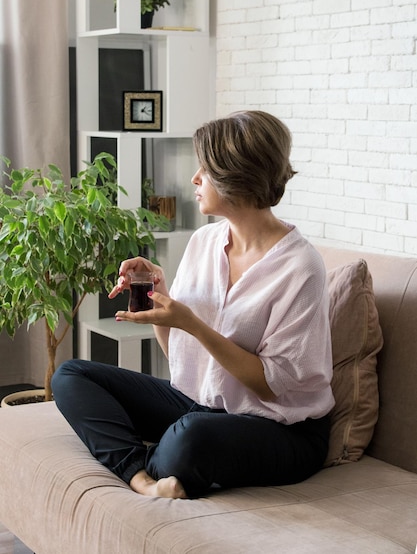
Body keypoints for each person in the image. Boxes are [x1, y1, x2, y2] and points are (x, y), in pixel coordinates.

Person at [52, 110, 335, 500]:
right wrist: (158, 291)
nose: (194, 178)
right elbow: (182, 361)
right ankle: (143, 479)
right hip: (202, 403)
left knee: (192, 435)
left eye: (206, 169)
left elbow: (273, 387)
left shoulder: (301, 267)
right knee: (71, 376)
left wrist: (193, 324)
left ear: (237, 176)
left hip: (280, 428)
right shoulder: (204, 243)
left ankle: (150, 462)